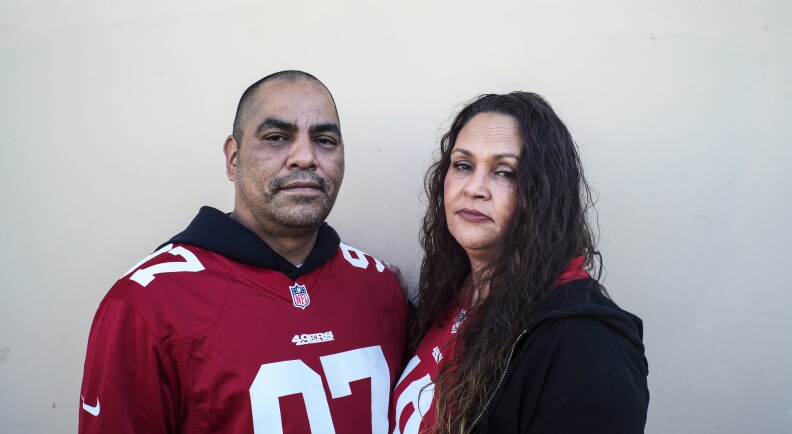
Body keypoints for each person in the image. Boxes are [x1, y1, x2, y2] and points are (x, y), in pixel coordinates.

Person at [79, 70, 407, 433]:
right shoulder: (145, 304)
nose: (305, 157)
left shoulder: (380, 288)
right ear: (233, 159)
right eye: (277, 137)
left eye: (325, 140)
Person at [390, 92, 649, 433]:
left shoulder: (588, 351)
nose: (474, 188)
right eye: (463, 165)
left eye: (505, 172)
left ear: (545, 193)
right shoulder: (454, 294)